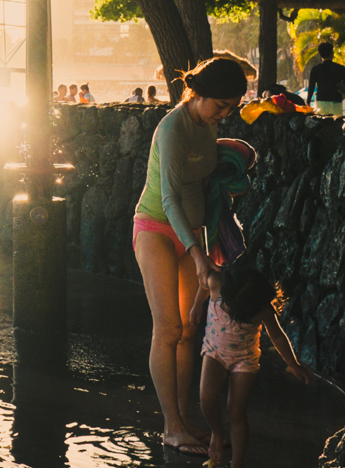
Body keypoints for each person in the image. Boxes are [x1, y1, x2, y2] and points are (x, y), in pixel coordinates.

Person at [132, 56, 248, 457]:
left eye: (231, 107)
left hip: (192, 236)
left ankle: (183, 418)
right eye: (220, 105)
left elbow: (203, 190)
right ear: (196, 94)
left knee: (188, 330)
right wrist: (199, 256)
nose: (225, 113)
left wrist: (209, 243)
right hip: (156, 229)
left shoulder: (208, 127)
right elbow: (169, 196)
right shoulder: (172, 128)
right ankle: (170, 427)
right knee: (166, 329)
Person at [192, 259, 309, 468]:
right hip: (214, 351)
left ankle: (238, 462)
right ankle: (217, 433)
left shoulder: (262, 309)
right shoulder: (216, 283)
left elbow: (278, 337)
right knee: (206, 398)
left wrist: (293, 364)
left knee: (236, 412)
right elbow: (203, 284)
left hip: (244, 359)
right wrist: (196, 306)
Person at [305, 42, 345, 115]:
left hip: (321, 102)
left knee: (322, 124)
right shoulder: (340, 69)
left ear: (320, 54)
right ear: (332, 54)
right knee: (336, 124)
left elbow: (311, 87)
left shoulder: (315, 69)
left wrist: (308, 102)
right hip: (336, 101)